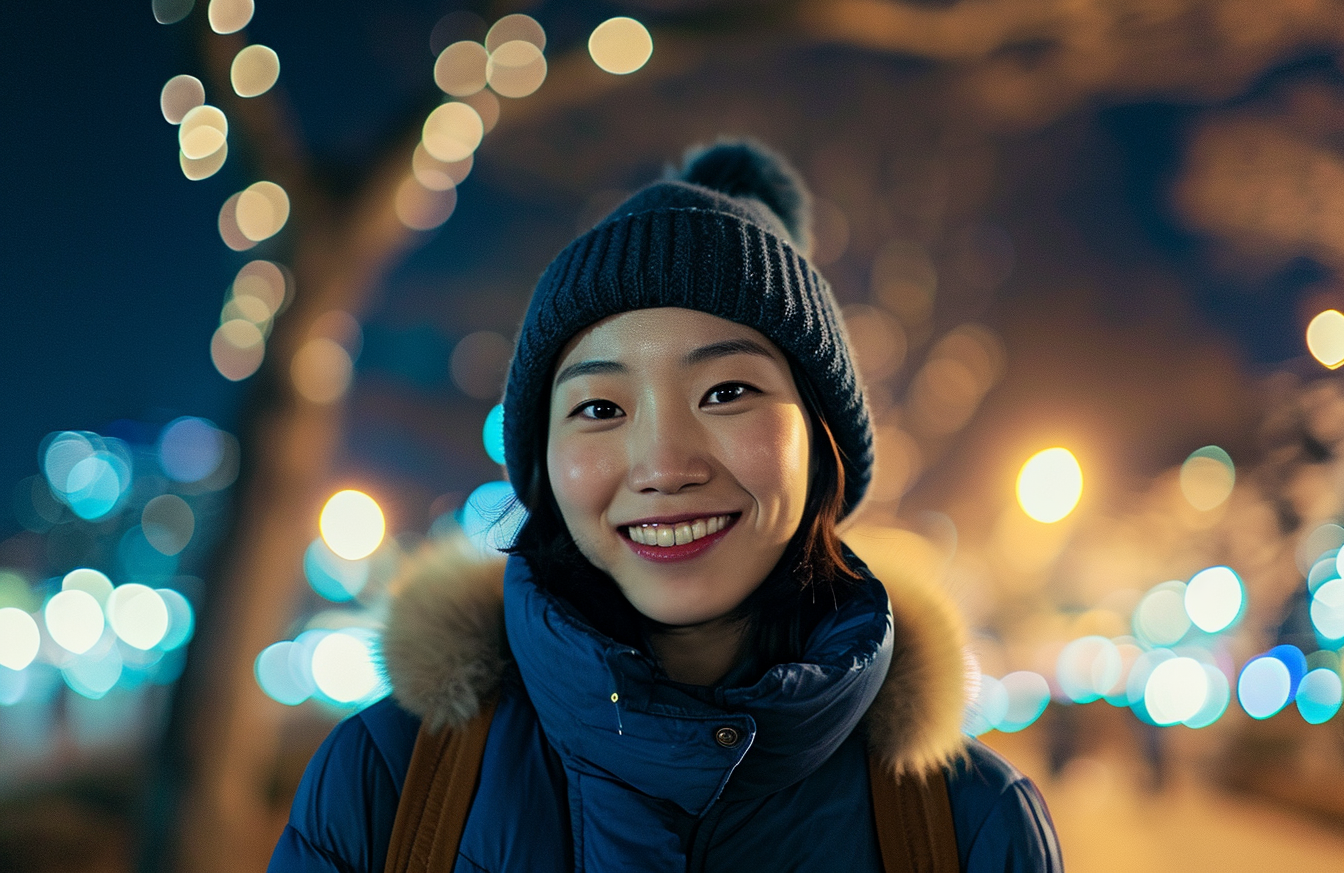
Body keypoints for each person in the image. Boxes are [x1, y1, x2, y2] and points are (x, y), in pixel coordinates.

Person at [269, 140, 1063, 871]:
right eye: (600, 409)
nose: (663, 466)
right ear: (544, 465)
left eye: (727, 392)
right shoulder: (389, 786)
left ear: (822, 445)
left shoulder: (968, 826)